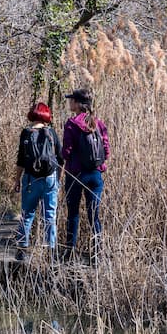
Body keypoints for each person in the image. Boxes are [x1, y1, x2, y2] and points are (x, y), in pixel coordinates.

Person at [61, 89, 110, 261]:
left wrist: (64, 156)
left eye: (71, 100)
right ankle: (98, 253)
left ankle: (69, 253)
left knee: (73, 214)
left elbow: (66, 152)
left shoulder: (71, 124)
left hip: (75, 175)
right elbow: (106, 151)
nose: (69, 103)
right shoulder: (99, 123)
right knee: (93, 215)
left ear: (77, 103)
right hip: (95, 175)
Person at [14, 102, 62, 260]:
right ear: (46, 115)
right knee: (50, 214)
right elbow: (61, 157)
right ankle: (51, 249)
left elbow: (21, 159)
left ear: (32, 114)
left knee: (27, 213)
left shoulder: (26, 133)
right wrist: (57, 178)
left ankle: (22, 247)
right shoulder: (51, 132)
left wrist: (17, 180)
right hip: (50, 178)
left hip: (30, 179)